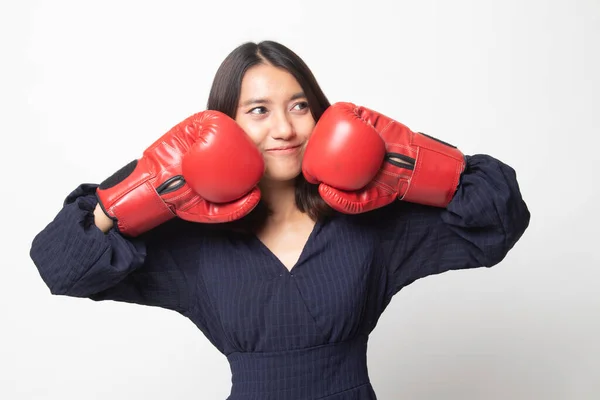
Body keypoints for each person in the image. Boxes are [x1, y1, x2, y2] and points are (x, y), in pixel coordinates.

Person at [29, 40, 531, 400]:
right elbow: (61, 267)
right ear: (224, 125)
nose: (285, 129)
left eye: (299, 106)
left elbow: (498, 220)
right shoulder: (191, 238)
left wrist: (411, 160)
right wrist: (128, 196)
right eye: (259, 111)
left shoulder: (369, 218)